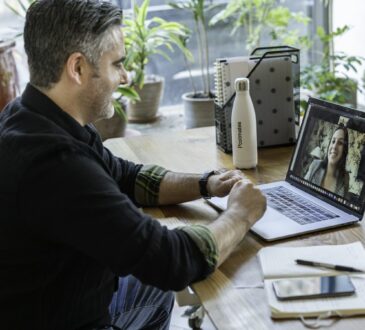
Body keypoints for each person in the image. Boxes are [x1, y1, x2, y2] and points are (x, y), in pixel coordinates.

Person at [0, 1, 266, 329]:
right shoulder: (57, 165)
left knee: (152, 289)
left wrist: (206, 182)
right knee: (166, 277)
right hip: (64, 319)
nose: (125, 76)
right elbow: (172, 261)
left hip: (54, 298)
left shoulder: (30, 116)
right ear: (78, 68)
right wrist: (242, 214)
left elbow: (125, 175)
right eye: (117, 64)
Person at [305, 125, 349, 197]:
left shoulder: (345, 177)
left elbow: (344, 204)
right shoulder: (315, 165)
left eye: (340, 143)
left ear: (344, 150)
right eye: (333, 141)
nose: (334, 146)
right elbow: (302, 188)